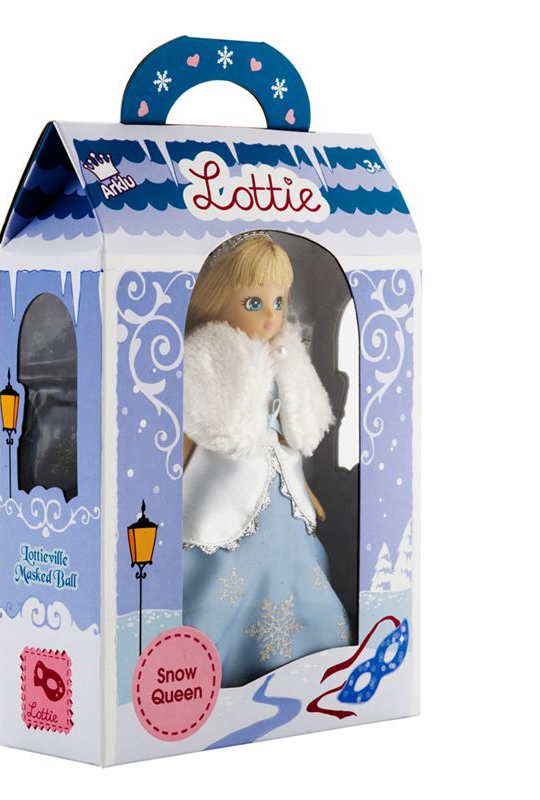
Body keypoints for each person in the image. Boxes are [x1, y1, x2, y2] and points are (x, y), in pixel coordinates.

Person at [181, 231, 352, 688]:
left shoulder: (284, 357)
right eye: (253, 303)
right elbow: (193, 423)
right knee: (224, 567)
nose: (271, 315)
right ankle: (204, 661)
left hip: (280, 482)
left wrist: (306, 490)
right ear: (216, 299)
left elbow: (288, 435)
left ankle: (312, 651)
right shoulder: (207, 355)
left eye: (278, 301)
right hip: (226, 476)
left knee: (292, 563)